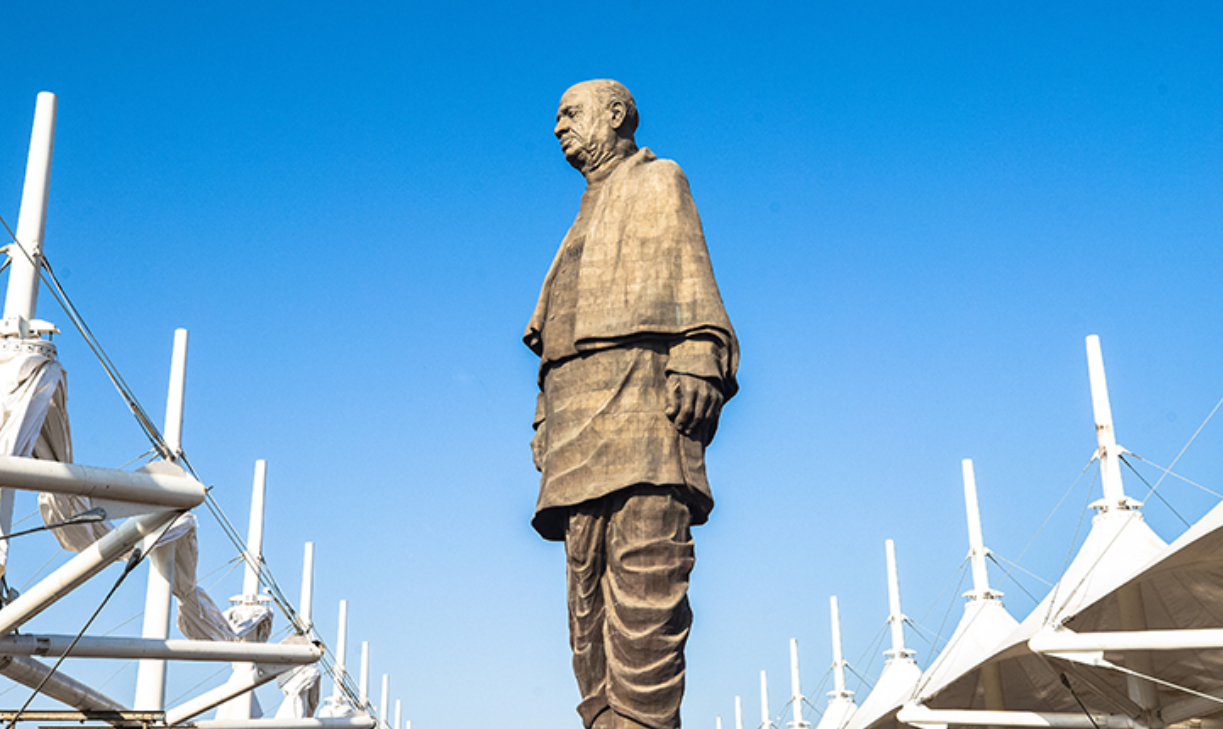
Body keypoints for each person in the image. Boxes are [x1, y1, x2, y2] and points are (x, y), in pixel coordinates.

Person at [524, 79, 739, 729]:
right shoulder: (581, 215)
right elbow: (554, 329)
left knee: (646, 584)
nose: (558, 127)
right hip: (575, 418)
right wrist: (544, 414)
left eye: (570, 113)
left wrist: (697, 350)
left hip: (642, 406)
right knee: (584, 601)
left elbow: (690, 273)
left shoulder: (658, 180)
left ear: (615, 114)